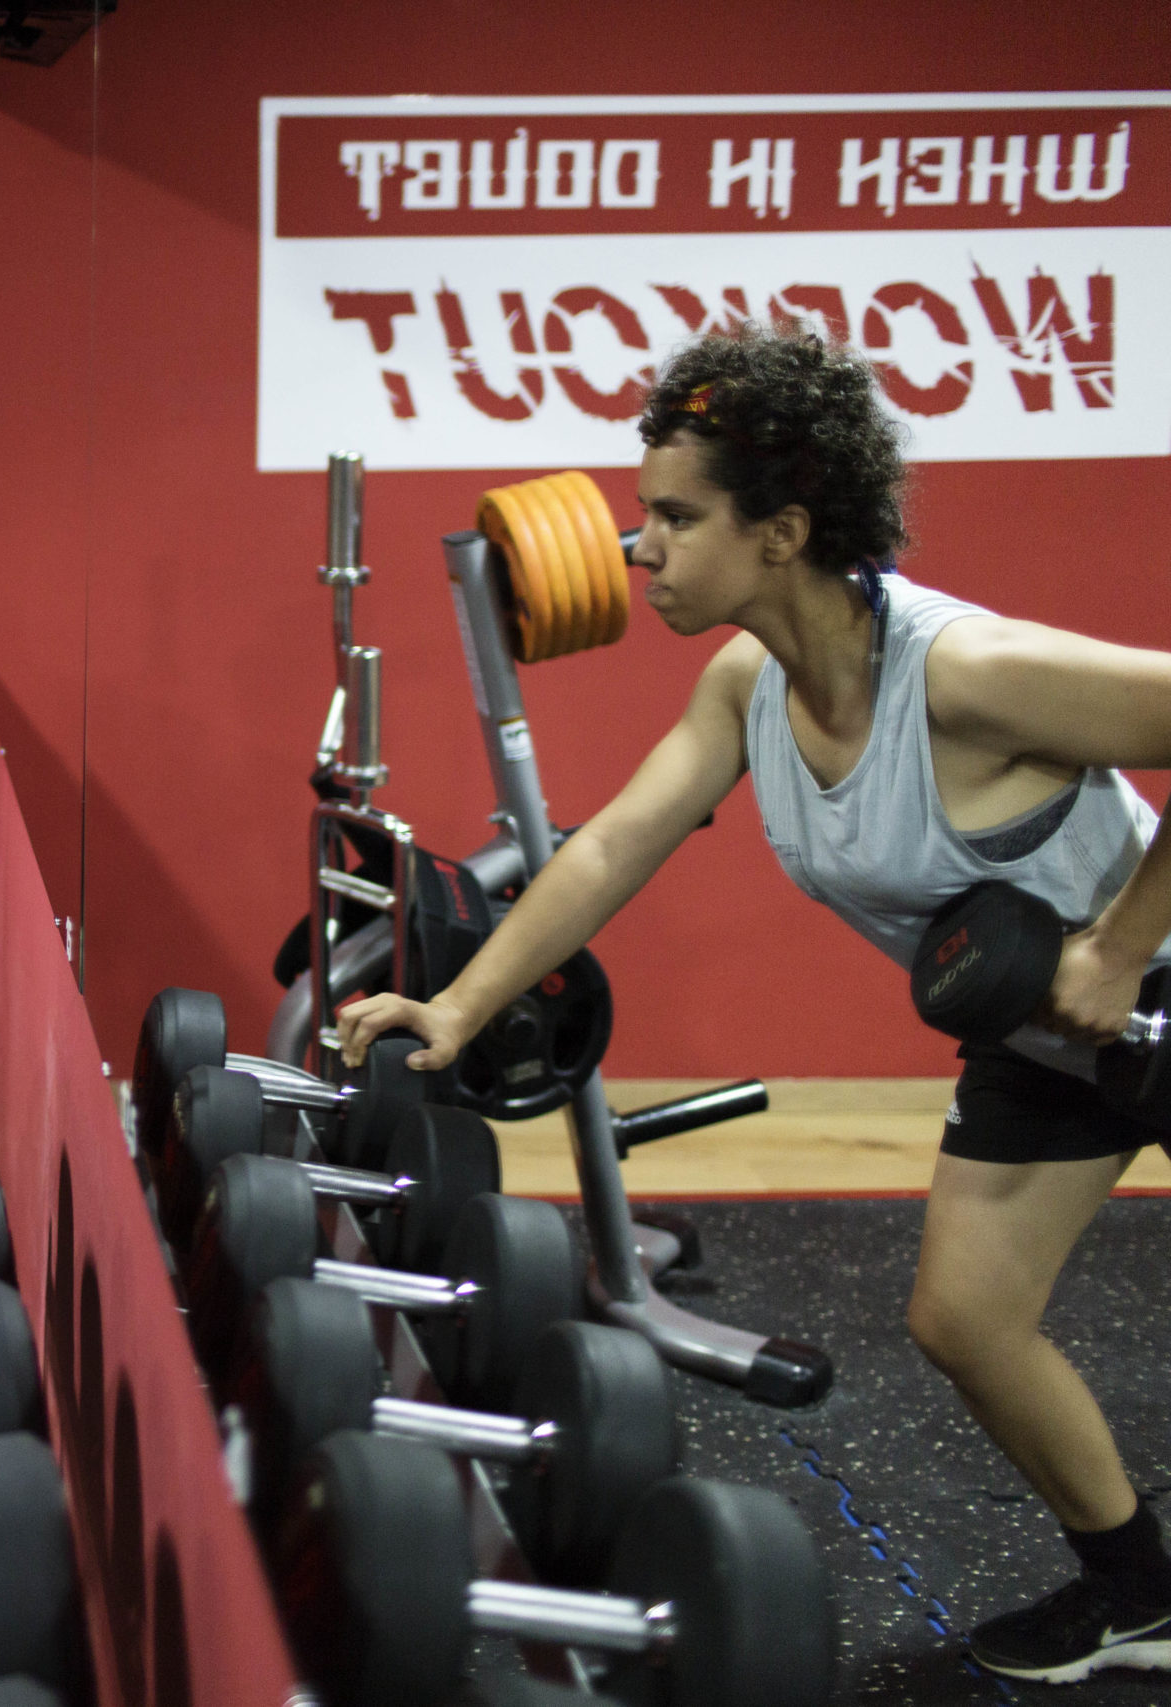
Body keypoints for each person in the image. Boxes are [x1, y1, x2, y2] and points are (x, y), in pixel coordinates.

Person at [338, 321, 1171, 1686]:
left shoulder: (966, 672)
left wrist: (1128, 943)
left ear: (781, 532)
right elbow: (610, 843)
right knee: (965, 1320)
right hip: (1038, 1040)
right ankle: (1141, 1591)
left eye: (675, 516)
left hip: (1151, 988)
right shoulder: (749, 685)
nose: (638, 546)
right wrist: (467, 1002)